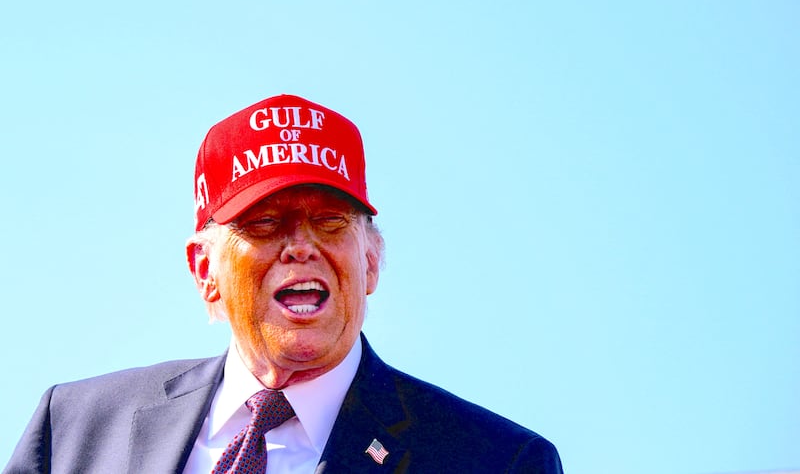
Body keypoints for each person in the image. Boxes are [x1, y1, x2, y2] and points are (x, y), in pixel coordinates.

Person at [4, 94, 563, 473]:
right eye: (264, 223)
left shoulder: (497, 461)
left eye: (330, 222)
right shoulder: (74, 429)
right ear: (206, 272)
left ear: (370, 261)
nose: (302, 246)